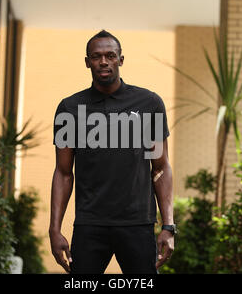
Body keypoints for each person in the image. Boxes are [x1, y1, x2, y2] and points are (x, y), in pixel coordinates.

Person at [49, 30, 175, 274]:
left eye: (110, 55)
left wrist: (169, 226)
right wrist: (54, 229)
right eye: (96, 56)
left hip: (138, 224)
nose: (103, 61)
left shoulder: (149, 104)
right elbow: (63, 173)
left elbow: (160, 167)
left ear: (121, 59)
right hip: (89, 225)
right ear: (87, 62)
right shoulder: (70, 108)